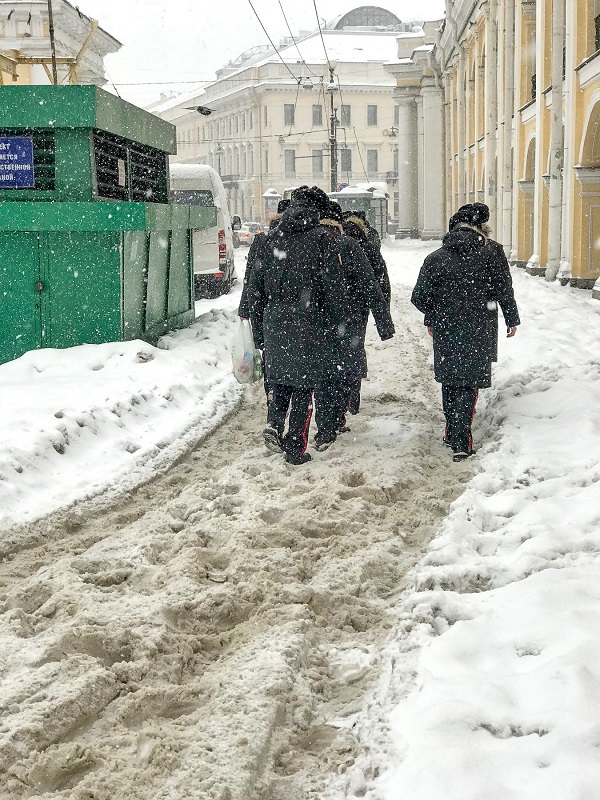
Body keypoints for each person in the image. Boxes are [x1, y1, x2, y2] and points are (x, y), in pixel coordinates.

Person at [411, 203, 520, 462]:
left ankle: (452, 430)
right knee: (468, 383)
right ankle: (461, 438)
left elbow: (418, 297)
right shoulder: (492, 252)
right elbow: (504, 288)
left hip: (446, 328)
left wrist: (436, 312)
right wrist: (511, 318)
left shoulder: (436, 258)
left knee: (450, 380)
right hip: (479, 327)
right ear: (480, 228)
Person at [249, 187, 349, 465]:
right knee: (304, 385)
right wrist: (340, 324)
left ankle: (273, 422)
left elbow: (254, 287)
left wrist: (257, 327)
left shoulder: (268, 238)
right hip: (310, 320)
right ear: (317, 210)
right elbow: (334, 287)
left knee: (281, 378)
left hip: (274, 319)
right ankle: (295, 446)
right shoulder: (322, 240)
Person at [317, 201, 394, 440]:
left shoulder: (316, 243)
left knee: (325, 371)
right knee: (349, 357)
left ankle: (327, 425)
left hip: (319, 317)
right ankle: (344, 404)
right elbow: (375, 281)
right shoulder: (353, 245)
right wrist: (383, 317)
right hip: (353, 314)